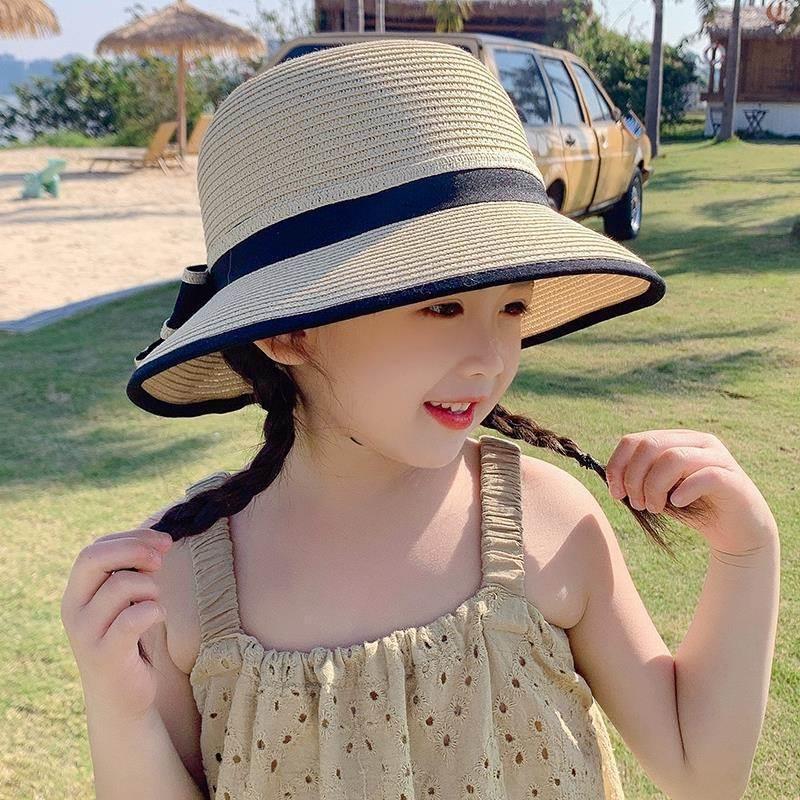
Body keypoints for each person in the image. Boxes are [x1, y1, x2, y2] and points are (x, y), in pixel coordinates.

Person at [60, 39, 780, 800]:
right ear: (288, 332)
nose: (490, 358)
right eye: (441, 307)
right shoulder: (181, 582)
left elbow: (703, 773)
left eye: (512, 307)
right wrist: (119, 710)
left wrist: (747, 551)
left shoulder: (549, 523)